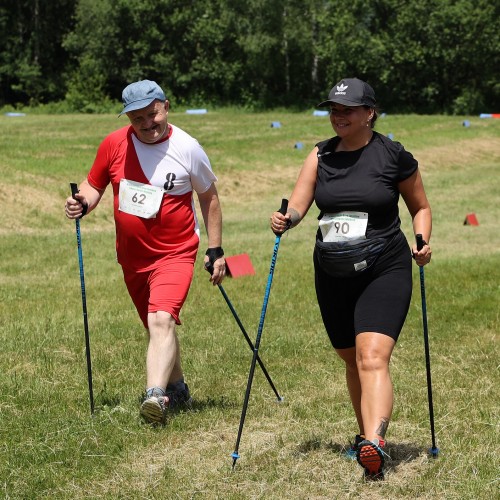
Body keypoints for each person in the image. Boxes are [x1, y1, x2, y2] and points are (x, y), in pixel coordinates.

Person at [270, 78, 432, 480]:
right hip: (332, 269)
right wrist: (285, 219)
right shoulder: (320, 154)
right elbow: (300, 204)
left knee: (372, 356)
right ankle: (363, 434)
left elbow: (420, 207)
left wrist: (422, 241)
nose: (338, 116)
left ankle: (375, 442)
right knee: (350, 358)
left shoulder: (393, 155)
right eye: (333, 109)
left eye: (347, 110)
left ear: (369, 113)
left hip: (385, 266)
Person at [65, 79, 226, 425]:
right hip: (132, 257)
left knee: (160, 319)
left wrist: (216, 249)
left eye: (152, 114)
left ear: (165, 106)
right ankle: (178, 387)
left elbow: (209, 198)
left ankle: (155, 397)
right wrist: (82, 202)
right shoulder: (113, 144)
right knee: (155, 326)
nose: (147, 124)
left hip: (176, 252)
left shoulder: (187, 148)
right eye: (137, 119)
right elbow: (94, 185)